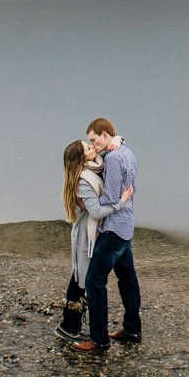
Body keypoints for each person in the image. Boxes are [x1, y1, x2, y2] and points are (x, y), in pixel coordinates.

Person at [71, 117, 139, 352]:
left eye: (93, 140)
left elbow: (109, 199)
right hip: (127, 225)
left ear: (104, 135)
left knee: (94, 281)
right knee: (127, 278)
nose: (93, 145)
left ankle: (99, 340)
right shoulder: (126, 151)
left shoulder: (111, 160)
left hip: (112, 228)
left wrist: (85, 201)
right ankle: (132, 329)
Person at [56, 138, 130, 343]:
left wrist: (118, 138)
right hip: (85, 234)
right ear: (82, 158)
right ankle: (69, 324)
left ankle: (71, 324)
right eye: (88, 148)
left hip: (94, 231)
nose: (92, 147)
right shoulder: (83, 180)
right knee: (81, 275)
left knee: (84, 274)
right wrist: (120, 203)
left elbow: (108, 151)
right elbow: (96, 211)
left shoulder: (95, 165)